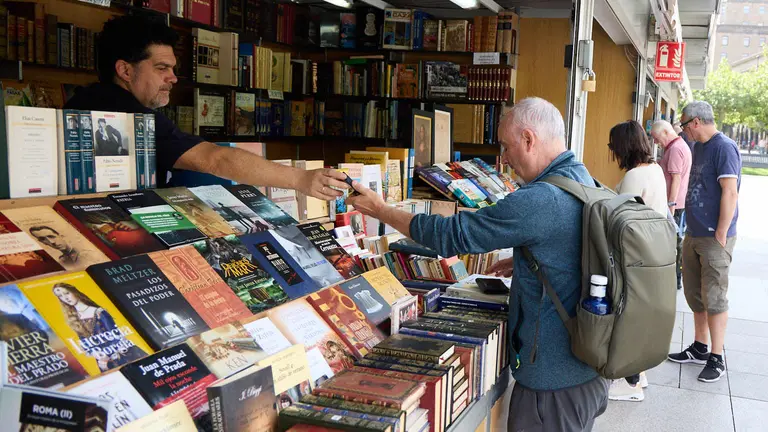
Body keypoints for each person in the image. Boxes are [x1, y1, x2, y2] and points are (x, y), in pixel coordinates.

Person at [348, 97, 608, 431]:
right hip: (585, 371)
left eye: (506, 145)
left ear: (529, 140)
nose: (504, 158)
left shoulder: (541, 199)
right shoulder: (586, 180)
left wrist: (381, 210)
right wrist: (534, 258)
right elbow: (576, 245)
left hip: (553, 384)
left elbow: (451, 235)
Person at [63, 15, 347, 200]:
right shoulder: (125, 114)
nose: (172, 78)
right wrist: (301, 178)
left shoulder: (88, 100)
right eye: (162, 68)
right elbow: (214, 160)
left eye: (173, 68)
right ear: (125, 70)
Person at [667, 101, 741, 383]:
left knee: (714, 297)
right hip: (694, 232)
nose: (683, 130)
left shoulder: (724, 147)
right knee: (695, 294)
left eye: (684, 124)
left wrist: (721, 232)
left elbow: (730, 192)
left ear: (695, 122)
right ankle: (699, 347)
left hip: (713, 236)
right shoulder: (698, 147)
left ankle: (716, 356)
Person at [605, 120, 668, 402]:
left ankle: (628, 382)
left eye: (612, 147)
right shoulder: (654, 169)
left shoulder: (633, 177)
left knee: (625, 316)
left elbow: (617, 220)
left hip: (632, 257)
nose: (612, 153)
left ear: (623, 147)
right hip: (654, 255)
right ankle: (638, 376)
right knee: (639, 316)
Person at [53, 282, 147, 371]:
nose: (65, 298)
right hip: (101, 358)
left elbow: (115, 334)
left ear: (74, 292)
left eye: (66, 293)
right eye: (60, 296)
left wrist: (107, 355)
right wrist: (97, 354)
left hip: (120, 353)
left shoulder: (98, 312)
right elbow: (84, 341)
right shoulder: (73, 318)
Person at [652, 120, 693, 291]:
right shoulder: (678, 146)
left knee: (673, 243)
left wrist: (670, 205)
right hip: (677, 203)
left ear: (666, 132)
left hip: (673, 205)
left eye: (656, 138)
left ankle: (674, 279)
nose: (655, 142)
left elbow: (675, 179)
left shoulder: (675, 149)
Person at [29, 225, 103, 269]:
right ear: (42, 242)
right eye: (43, 239)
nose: (52, 242)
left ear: (61, 236)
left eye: (51, 236)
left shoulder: (87, 253)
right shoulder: (62, 261)